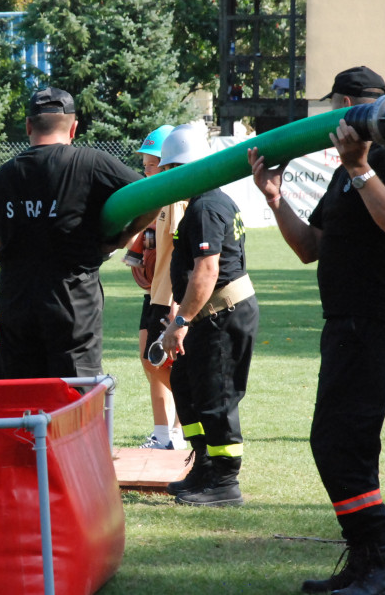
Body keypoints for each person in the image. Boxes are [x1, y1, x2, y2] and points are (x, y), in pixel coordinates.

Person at [248, 66, 385, 594]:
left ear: (345, 104)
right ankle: (369, 562)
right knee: (342, 441)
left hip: (376, 319)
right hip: (344, 320)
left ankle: (383, 561)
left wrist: (361, 170)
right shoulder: (344, 169)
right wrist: (276, 198)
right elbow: (310, 247)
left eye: (331, 109)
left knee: (337, 442)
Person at [0, 87, 155, 380]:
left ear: (28, 126)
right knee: (74, 398)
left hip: (16, 305)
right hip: (72, 305)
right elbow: (150, 196)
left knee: (18, 400)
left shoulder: (1, 176)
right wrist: (120, 239)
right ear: (74, 128)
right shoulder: (91, 163)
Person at [158, 126, 258, 507]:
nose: (164, 178)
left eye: (170, 169)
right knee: (187, 386)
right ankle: (203, 465)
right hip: (208, 314)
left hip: (221, 315)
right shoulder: (205, 203)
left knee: (217, 396)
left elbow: (207, 271)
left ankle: (224, 481)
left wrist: (180, 322)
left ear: (186, 168)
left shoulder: (204, 208)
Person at [132, 124, 185, 451]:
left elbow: (183, 248)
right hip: (155, 292)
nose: (146, 169)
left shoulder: (176, 198)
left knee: (164, 365)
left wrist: (179, 300)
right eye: (145, 163)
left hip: (170, 294)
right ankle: (163, 432)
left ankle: (181, 429)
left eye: (151, 163)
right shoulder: (157, 197)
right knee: (147, 358)